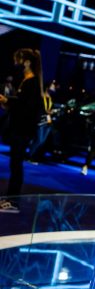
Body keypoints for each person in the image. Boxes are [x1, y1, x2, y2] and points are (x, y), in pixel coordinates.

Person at [1, 48, 46, 212]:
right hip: (20, 129)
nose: (15, 64)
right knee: (15, 164)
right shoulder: (29, 82)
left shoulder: (31, 82)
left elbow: (25, 108)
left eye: (17, 60)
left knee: (16, 164)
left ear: (26, 62)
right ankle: (11, 199)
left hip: (22, 130)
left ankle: (13, 202)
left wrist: (8, 101)